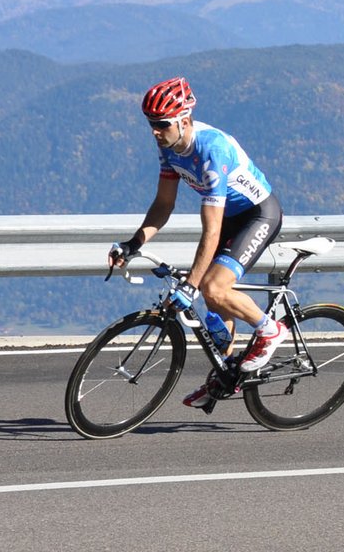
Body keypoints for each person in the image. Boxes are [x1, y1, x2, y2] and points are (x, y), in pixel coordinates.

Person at [107, 77, 286, 411]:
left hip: (258, 215)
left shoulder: (210, 150)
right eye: (150, 124)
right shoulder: (169, 147)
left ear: (184, 120)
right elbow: (164, 204)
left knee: (213, 288)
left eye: (161, 124)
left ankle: (270, 330)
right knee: (215, 307)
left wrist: (190, 285)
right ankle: (226, 375)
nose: (154, 132)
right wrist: (133, 243)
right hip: (230, 219)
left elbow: (211, 231)